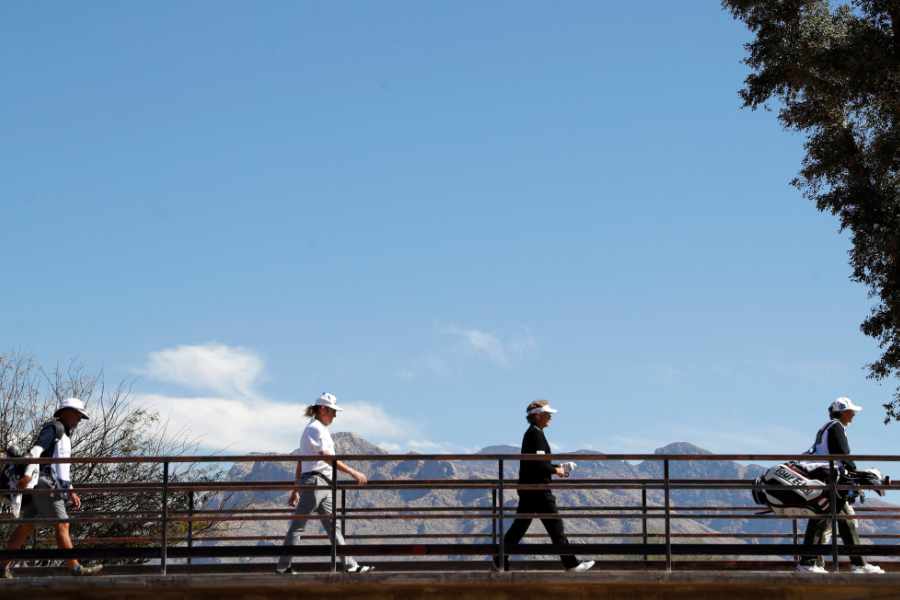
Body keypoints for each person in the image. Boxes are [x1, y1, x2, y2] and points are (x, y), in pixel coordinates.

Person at [2, 398, 103, 578]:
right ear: (66, 412)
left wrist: (70, 489)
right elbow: (35, 451)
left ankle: (2, 565)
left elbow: (62, 468)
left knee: (26, 527)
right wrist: (26, 475)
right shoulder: (53, 428)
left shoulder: (65, 435)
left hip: (49, 485)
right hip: (46, 485)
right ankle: (75, 567)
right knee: (62, 523)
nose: (79, 420)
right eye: (78, 415)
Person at [276, 393, 374, 574]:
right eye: (332, 411)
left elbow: (301, 462)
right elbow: (326, 457)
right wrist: (353, 472)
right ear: (322, 409)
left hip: (322, 484)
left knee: (333, 527)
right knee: (298, 527)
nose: (335, 416)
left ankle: (351, 566)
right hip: (316, 482)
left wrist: (295, 490)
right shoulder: (315, 429)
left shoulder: (316, 429)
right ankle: (282, 567)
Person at [495, 400, 594, 572]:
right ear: (537, 415)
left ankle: (499, 561)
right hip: (538, 490)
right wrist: (558, 469)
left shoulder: (534, 433)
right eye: (547, 414)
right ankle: (571, 564)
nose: (550, 417)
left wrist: (557, 468)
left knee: (519, 528)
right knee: (555, 526)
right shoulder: (535, 435)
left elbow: (539, 463)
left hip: (531, 489)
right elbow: (539, 465)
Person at [796, 397, 884, 574]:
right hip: (830, 480)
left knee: (838, 520)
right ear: (843, 412)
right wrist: (856, 472)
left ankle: (813, 562)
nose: (853, 415)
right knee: (826, 520)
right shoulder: (836, 427)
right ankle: (810, 563)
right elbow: (843, 454)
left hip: (821, 479)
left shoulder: (826, 428)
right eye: (851, 412)